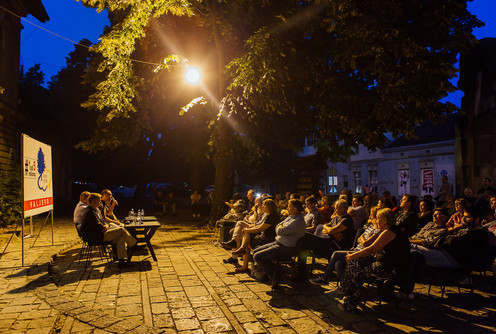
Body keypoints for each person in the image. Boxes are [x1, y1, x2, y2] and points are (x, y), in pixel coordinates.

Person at [338, 208, 410, 312]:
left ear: (384, 220)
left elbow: (372, 249)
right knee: (356, 262)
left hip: (389, 270)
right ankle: (347, 294)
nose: (375, 221)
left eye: (377, 219)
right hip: (384, 264)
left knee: (356, 268)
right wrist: (356, 255)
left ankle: (348, 298)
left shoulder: (390, 232)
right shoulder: (392, 230)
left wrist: (352, 256)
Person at [310, 206, 381, 285]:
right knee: (338, 263)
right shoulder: (370, 227)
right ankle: (346, 285)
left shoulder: (346, 220)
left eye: (371, 215)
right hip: (355, 249)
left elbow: (365, 243)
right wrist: (333, 232)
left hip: (351, 249)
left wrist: (332, 231)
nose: (369, 217)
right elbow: (324, 227)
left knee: (335, 253)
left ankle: (325, 278)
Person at [79, 193, 143, 268]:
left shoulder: (94, 210)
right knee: (121, 230)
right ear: (93, 202)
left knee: (120, 238)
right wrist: (106, 226)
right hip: (96, 237)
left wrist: (106, 225)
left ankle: (122, 261)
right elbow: (101, 227)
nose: (100, 203)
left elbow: (102, 222)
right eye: (98, 201)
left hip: (98, 234)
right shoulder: (90, 212)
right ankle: (133, 245)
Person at [253, 199, 306, 287]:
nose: (287, 208)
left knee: (257, 256)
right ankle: (274, 271)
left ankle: (274, 274)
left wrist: (280, 228)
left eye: (289, 206)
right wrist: (280, 227)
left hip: (286, 247)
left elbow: (280, 230)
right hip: (279, 242)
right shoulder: (291, 217)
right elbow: (279, 226)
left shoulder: (297, 221)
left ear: (295, 209)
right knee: (255, 251)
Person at [232, 198, 280, 273]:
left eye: (264, 205)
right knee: (246, 234)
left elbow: (260, 229)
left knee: (246, 242)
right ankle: (242, 250)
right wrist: (248, 229)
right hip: (264, 236)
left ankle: (244, 262)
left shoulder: (271, 217)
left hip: (267, 239)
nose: (263, 207)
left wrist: (247, 230)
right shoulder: (269, 215)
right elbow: (258, 226)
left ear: (269, 207)